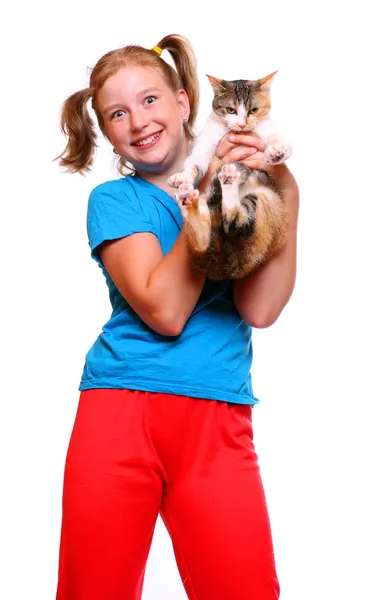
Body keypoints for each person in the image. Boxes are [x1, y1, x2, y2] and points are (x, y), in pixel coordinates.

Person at [55, 33, 299, 600]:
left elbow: (260, 309)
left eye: (149, 100)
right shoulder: (117, 202)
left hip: (218, 416)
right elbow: (165, 311)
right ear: (107, 131)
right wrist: (211, 187)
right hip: (119, 413)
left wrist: (283, 187)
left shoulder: (250, 188)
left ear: (184, 102)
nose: (138, 121)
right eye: (117, 112)